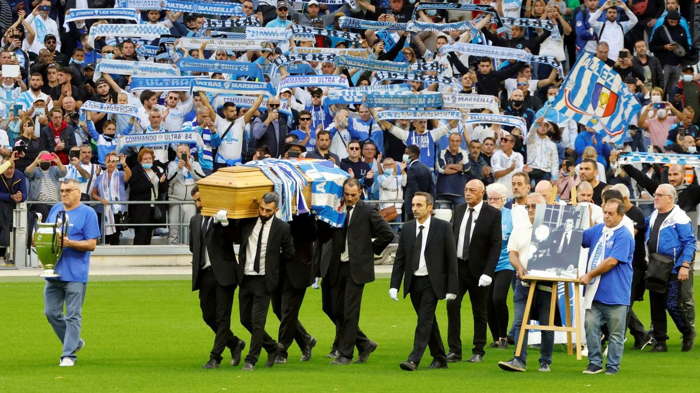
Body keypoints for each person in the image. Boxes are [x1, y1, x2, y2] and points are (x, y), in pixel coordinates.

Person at [319, 178, 393, 365]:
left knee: (350, 312)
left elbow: (387, 234)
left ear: (360, 192)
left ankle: (346, 354)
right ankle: (364, 343)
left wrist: (369, 250)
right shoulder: (336, 211)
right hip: (337, 267)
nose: (350, 198)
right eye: (347, 194)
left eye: (353, 194)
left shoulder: (367, 211)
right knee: (334, 309)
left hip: (356, 269)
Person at [390, 192, 458, 371]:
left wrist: (452, 287)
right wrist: (394, 285)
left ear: (430, 207)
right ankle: (440, 358)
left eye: (419, 205)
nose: (415, 209)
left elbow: (451, 259)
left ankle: (414, 359)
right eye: (413, 205)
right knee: (427, 320)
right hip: (413, 283)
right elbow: (400, 259)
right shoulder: (407, 228)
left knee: (424, 321)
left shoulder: (442, 227)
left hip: (432, 282)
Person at [43, 179, 100, 367]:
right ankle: (75, 342)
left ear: (78, 192)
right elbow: (48, 234)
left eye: (68, 190)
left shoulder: (88, 213)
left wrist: (70, 243)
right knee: (51, 313)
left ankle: (68, 355)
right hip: (54, 270)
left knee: (73, 314)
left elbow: (91, 244)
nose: (64, 194)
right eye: (62, 191)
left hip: (76, 272)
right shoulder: (55, 210)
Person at [236, 192, 295, 370]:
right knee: (245, 319)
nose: (263, 212)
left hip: (264, 280)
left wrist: (274, 263)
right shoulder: (247, 223)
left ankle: (251, 359)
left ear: (276, 210)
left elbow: (290, 252)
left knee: (257, 321)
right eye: (261, 208)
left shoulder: (282, 228)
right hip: (246, 277)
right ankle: (272, 347)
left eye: (268, 210)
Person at [189, 186, 246, 369]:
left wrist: (224, 223)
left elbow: (235, 238)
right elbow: (193, 246)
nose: (198, 204)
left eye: (200, 199)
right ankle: (234, 342)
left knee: (223, 317)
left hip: (224, 274)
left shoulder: (224, 217)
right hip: (205, 273)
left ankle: (215, 356)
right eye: (195, 201)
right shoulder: (195, 220)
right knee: (208, 315)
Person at [498, 193, 554, 373]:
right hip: (523, 283)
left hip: (546, 284)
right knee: (521, 322)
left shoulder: (553, 229)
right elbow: (512, 252)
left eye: (534, 206)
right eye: (528, 206)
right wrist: (519, 267)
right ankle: (518, 359)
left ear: (544, 208)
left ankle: (545, 361)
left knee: (546, 324)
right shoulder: (520, 228)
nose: (530, 210)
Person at [447, 179, 502, 363]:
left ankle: (478, 349)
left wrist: (488, 272)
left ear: (481, 193)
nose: (467, 193)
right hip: (458, 267)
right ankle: (454, 349)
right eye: (465, 189)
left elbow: (496, 245)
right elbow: (451, 237)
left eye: (472, 190)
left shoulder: (492, 214)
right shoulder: (459, 210)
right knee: (452, 306)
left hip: (479, 270)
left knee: (480, 310)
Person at [579, 198, 635, 375]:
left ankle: (612, 366)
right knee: (590, 326)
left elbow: (611, 262)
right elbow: (578, 239)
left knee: (616, 334)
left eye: (611, 213)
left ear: (620, 215)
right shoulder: (598, 230)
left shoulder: (624, 235)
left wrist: (589, 274)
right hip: (595, 293)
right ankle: (594, 362)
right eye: (604, 212)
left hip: (616, 293)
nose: (606, 217)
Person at [645, 184, 696, 352]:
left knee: (672, 304)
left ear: (670, 198)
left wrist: (684, 265)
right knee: (656, 304)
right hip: (655, 266)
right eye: (655, 194)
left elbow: (689, 242)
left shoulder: (680, 217)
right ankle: (660, 341)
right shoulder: (653, 214)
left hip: (673, 268)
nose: (656, 197)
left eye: (660, 195)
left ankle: (687, 332)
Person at [271, 211, 317, 364]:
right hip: (277, 268)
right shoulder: (270, 210)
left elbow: (313, 235)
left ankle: (282, 351)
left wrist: (306, 214)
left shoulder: (303, 213)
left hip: (297, 268)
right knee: (279, 310)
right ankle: (305, 339)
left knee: (288, 311)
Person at [485, 183, 514, 349]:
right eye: (490, 198)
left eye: (496, 198)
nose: (493, 201)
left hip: (505, 262)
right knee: (487, 301)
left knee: (498, 298)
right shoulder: (483, 215)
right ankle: (495, 337)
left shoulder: (511, 216)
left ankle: (503, 336)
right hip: (487, 264)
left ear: (504, 200)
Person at [127, 148, 166, 246]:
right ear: (140, 160)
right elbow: (135, 188)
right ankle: (138, 258)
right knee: (141, 235)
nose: (148, 161)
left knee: (149, 234)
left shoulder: (156, 169)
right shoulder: (135, 170)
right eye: (145, 159)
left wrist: (162, 182)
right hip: (140, 208)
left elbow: (163, 189)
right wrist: (150, 182)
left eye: (150, 158)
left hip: (153, 207)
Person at [167, 145, 204, 245]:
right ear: (176, 153)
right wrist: (178, 169)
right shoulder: (172, 165)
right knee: (174, 228)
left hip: (190, 201)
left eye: (185, 152)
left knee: (188, 228)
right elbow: (169, 181)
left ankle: (187, 252)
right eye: (180, 152)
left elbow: (203, 179)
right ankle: (172, 251)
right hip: (175, 200)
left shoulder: (195, 164)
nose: (183, 154)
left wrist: (190, 169)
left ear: (189, 153)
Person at [91, 153, 130, 245]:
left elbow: (129, 175)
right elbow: (93, 194)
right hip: (104, 210)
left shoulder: (121, 174)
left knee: (115, 237)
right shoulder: (100, 177)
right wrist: (101, 199)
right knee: (105, 237)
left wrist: (124, 163)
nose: (111, 164)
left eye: (113, 161)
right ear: (105, 163)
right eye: (108, 161)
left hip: (117, 211)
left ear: (116, 163)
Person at [0, 152, 27, 263]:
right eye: (7, 167)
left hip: (15, 206)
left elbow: (25, 194)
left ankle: (5, 250)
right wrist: (10, 196)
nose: (9, 170)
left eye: (12, 167)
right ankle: (4, 249)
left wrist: (20, 196)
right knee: (3, 215)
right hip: (2, 204)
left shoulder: (20, 175)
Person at [402, 144, 434, 221]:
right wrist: (431, 205)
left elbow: (414, 189)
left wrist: (416, 204)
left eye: (406, 153)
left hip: (413, 207)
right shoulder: (426, 168)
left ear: (413, 155)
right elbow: (432, 189)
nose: (404, 155)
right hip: (425, 206)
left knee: (413, 230)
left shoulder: (412, 169)